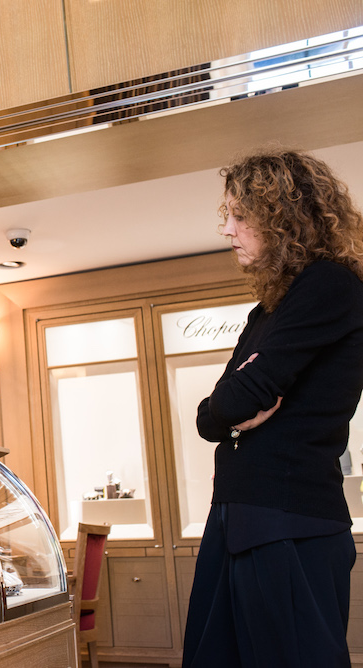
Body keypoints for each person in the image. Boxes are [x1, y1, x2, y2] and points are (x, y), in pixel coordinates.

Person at [183, 149, 363, 667]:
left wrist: (234, 404)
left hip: (288, 520)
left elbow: (236, 398)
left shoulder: (329, 284)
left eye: (240, 215)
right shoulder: (266, 310)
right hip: (241, 517)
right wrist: (233, 407)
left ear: (282, 218)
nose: (227, 229)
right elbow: (210, 417)